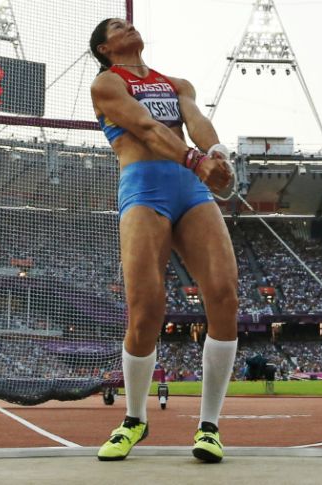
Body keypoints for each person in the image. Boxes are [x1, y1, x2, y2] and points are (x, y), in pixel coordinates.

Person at [89, 18, 238, 463]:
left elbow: (198, 122)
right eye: (117, 26)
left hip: (189, 188)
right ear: (104, 47)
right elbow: (149, 130)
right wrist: (196, 160)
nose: (128, 26)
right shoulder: (106, 84)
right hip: (144, 186)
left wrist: (218, 157)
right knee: (146, 309)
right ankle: (135, 419)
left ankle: (209, 426)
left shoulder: (176, 84)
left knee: (225, 294)